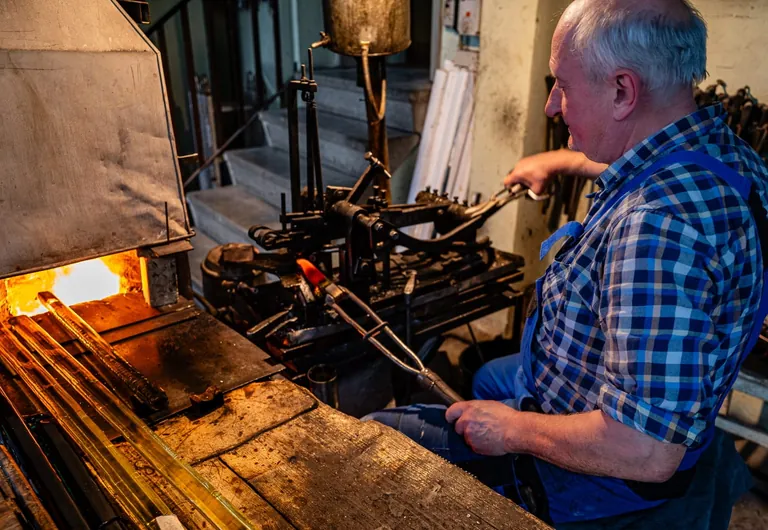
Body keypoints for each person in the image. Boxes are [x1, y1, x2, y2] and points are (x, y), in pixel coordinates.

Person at [364, 0, 768, 527]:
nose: (553, 106)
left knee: (378, 438)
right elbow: (647, 154)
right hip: (585, 380)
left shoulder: (658, 228)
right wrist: (560, 160)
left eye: (563, 86)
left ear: (623, 90)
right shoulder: (726, 154)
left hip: (611, 473)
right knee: (488, 376)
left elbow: (646, 449)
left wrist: (511, 430)